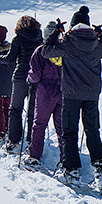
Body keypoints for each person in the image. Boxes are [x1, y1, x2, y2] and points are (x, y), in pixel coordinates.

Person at [41, 6, 102, 189]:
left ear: (72, 25)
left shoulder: (67, 42)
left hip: (71, 93)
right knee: (92, 130)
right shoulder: (96, 43)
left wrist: (55, 33)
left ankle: (71, 171)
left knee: (69, 132)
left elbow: (46, 51)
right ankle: (99, 171)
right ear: (90, 26)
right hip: (91, 94)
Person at [0, 16, 43, 153]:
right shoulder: (40, 39)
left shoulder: (18, 38)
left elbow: (10, 59)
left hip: (20, 77)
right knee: (32, 111)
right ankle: (31, 141)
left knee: (15, 109)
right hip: (36, 78)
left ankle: (14, 141)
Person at [24, 21, 64, 167]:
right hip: (63, 91)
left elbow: (34, 74)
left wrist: (30, 79)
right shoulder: (65, 50)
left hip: (45, 91)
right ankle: (66, 160)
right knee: (62, 128)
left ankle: (35, 157)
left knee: (39, 124)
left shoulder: (41, 51)